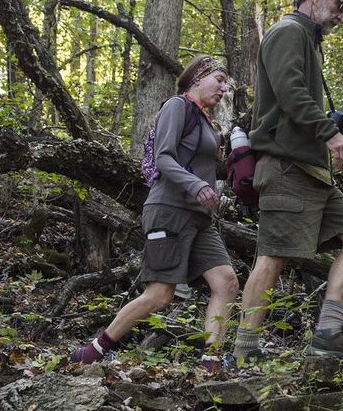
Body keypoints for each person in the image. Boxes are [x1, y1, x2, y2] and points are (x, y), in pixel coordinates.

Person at [232, 0, 343, 365]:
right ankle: (243, 350)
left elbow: (298, 98)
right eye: (340, 6)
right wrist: (330, 134)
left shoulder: (307, 42)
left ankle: (328, 332)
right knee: (273, 255)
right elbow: (290, 93)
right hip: (286, 167)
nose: (342, 16)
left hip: (312, 172)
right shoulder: (287, 32)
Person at [72, 56, 239, 374]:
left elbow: (209, 166)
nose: (224, 87)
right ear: (198, 78)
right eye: (218, 79)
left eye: (225, 82)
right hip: (169, 211)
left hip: (199, 217)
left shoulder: (206, 120)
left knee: (226, 281)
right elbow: (163, 157)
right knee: (160, 294)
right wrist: (195, 186)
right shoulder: (178, 107)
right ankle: (95, 350)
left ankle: (211, 361)